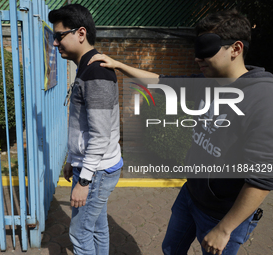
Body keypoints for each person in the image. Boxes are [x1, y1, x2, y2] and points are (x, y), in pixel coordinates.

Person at [88, 9, 273, 255]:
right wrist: (119, 64)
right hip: (190, 196)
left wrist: (225, 229)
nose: (198, 57)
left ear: (236, 48)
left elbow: (261, 179)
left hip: (222, 215)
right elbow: (161, 81)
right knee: (171, 249)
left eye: (207, 48)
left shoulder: (262, 99)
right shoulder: (209, 83)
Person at [48, 4, 123, 255]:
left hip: (98, 170)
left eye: (59, 36)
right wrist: (73, 159)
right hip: (94, 166)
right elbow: (84, 126)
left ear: (80, 33)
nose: (55, 43)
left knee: (79, 233)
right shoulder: (86, 66)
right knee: (97, 227)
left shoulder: (96, 73)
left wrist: (85, 179)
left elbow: (100, 135)